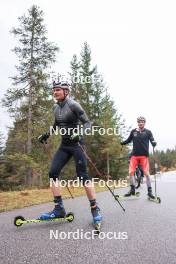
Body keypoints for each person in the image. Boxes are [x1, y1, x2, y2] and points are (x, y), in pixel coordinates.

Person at [38, 81, 102, 224]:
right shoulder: (55, 107)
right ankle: (59, 209)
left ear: (66, 91)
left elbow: (87, 123)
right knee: (53, 173)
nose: (55, 92)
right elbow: (56, 125)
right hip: (64, 146)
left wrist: (80, 134)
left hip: (77, 145)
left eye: (58, 90)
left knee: (83, 176)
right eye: (54, 90)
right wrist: (47, 134)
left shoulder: (73, 105)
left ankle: (95, 207)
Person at [121, 116, 157, 198]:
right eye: (139, 122)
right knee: (131, 172)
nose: (141, 123)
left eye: (142, 122)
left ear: (144, 123)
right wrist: (123, 143)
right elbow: (128, 140)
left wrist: (154, 143)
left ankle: (150, 192)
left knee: (147, 174)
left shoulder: (148, 132)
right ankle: (132, 190)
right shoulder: (133, 131)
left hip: (144, 156)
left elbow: (152, 140)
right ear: (138, 123)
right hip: (134, 156)